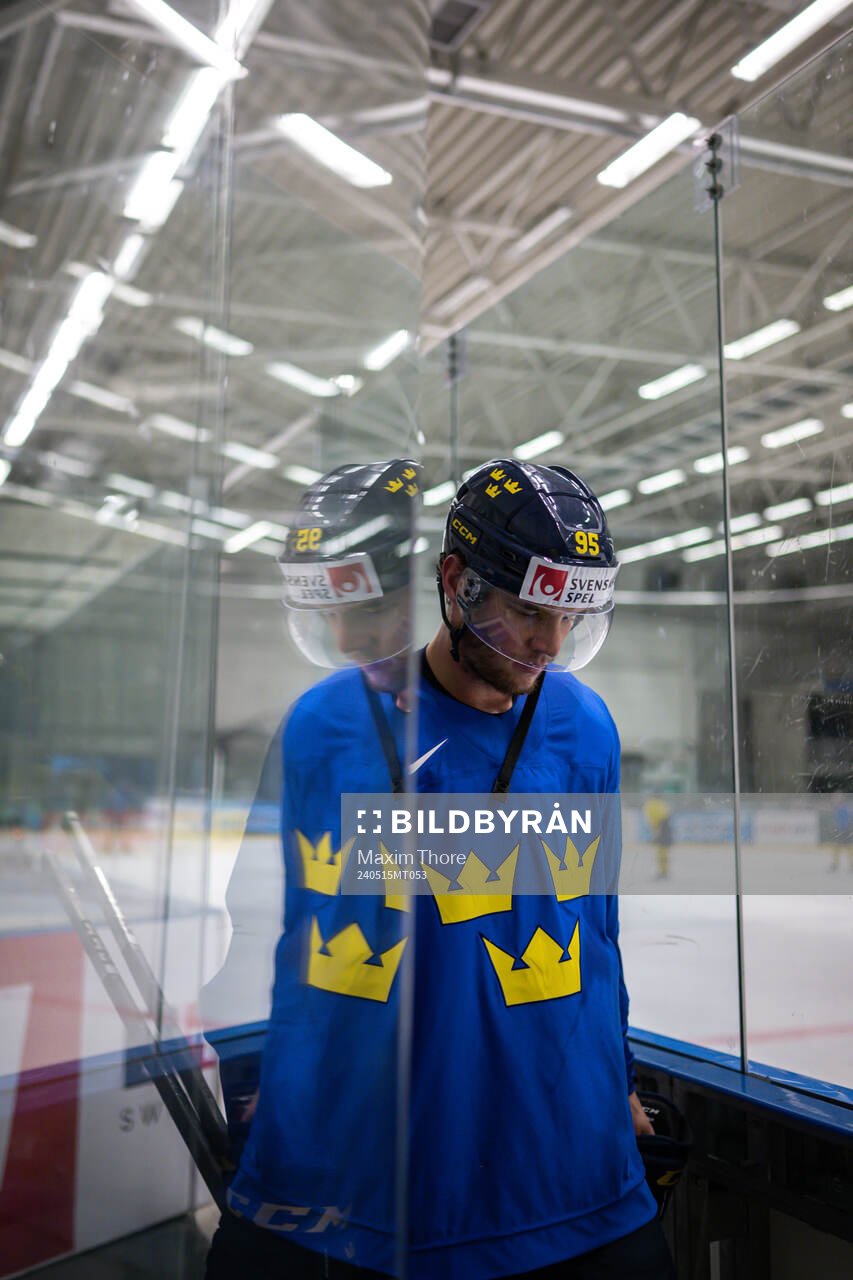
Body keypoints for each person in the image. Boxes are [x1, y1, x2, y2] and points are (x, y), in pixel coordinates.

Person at [206, 458, 675, 1280]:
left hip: (569, 1166)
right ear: (456, 584)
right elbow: (264, 920)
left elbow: (593, 929)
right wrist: (250, 1078)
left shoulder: (585, 727)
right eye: (529, 611)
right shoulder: (327, 725)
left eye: (568, 616)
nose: (548, 643)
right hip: (356, 1178)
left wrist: (620, 1083)